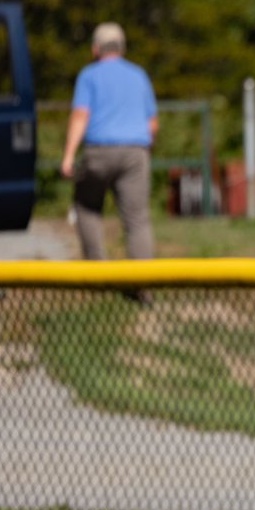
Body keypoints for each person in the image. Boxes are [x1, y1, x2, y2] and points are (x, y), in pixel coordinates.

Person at [59, 22, 158, 303]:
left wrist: (68, 156)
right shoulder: (139, 75)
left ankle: (99, 279)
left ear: (95, 49)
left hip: (99, 150)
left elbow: (81, 116)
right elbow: (152, 124)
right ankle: (144, 287)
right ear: (122, 48)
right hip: (135, 152)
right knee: (137, 220)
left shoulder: (89, 75)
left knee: (87, 208)